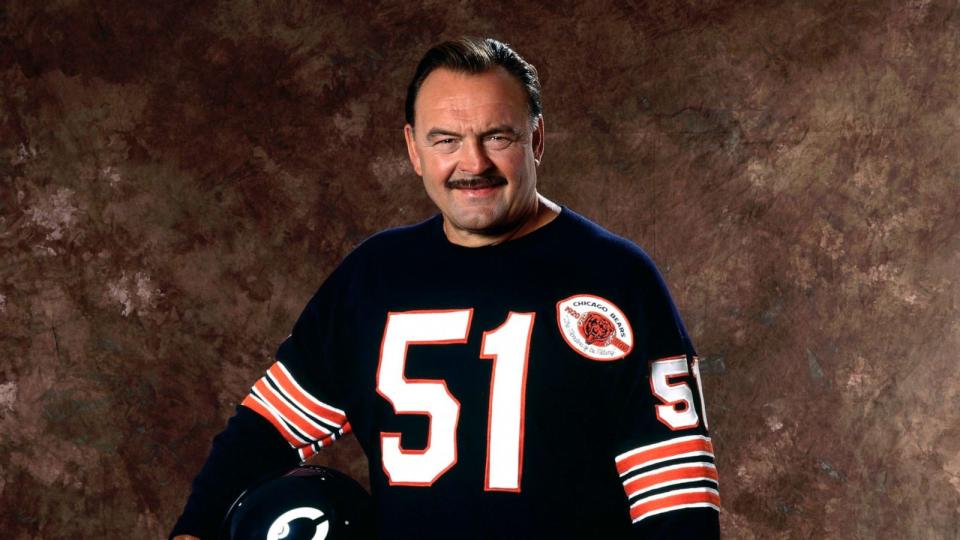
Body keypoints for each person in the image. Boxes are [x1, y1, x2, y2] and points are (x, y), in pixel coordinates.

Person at [170, 36, 720, 540]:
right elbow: (267, 427)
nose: (472, 163)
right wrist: (193, 531)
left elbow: (675, 496)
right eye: (446, 140)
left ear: (537, 138)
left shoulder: (616, 276)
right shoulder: (373, 276)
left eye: (497, 136)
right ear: (413, 149)